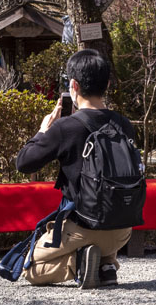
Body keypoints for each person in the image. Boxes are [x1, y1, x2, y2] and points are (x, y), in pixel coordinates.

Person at [15, 49, 136, 289]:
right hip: (123, 229)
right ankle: (106, 265)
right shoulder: (124, 124)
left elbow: (24, 163)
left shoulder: (65, 128)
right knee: (102, 238)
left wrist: (43, 131)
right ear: (107, 84)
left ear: (73, 85)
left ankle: (79, 262)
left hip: (82, 226)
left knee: (30, 269)